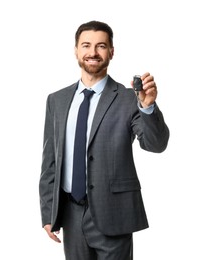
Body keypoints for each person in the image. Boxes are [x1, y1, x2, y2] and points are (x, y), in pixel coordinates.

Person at [39, 20, 169, 260]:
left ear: (111, 52)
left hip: (114, 214)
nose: (92, 52)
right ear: (76, 50)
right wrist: (49, 213)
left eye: (101, 46)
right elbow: (50, 162)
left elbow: (155, 144)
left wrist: (148, 107)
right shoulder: (56, 100)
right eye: (86, 45)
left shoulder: (130, 99)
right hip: (71, 213)